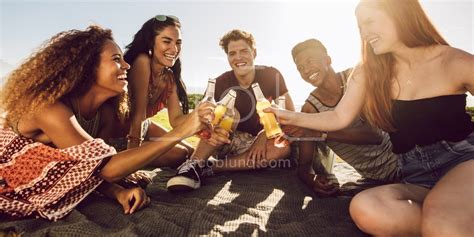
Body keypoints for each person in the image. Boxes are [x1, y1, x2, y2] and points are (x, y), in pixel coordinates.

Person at [266, 0, 473, 235]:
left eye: (369, 22)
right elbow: (338, 117)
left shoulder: (454, 60)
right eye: (360, 27)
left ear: (401, 14)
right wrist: (285, 116)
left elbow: (371, 135)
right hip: (414, 174)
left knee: (443, 219)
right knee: (365, 208)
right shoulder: (367, 71)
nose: (364, 33)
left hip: (461, 162)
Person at [0, 25, 208, 221]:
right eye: (117, 59)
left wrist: (119, 192)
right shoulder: (49, 109)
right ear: (87, 67)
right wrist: (180, 132)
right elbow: (107, 168)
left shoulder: (104, 114)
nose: (126, 65)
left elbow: (94, 169)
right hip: (8, 177)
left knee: (180, 153)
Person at [166, 29, 295, 191]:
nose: (238, 58)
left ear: (254, 53)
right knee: (229, 112)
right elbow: (204, 120)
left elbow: (289, 113)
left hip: (256, 144)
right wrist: (207, 124)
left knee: (282, 148)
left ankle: (210, 167)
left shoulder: (271, 75)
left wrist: (263, 135)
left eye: (244, 51)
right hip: (224, 139)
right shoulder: (220, 83)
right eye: (232, 53)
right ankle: (193, 165)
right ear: (227, 57)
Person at [290, 39, 399, 197]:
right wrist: (313, 179)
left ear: (328, 60)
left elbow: (374, 136)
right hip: (373, 179)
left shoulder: (355, 79)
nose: (306, 70)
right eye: (300, 68)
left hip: (401, 163)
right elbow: (304, 167)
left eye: (310, 61)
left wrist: (322, 134)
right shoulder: (310, 109)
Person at [101, 15, 193, 168]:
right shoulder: (142, 62)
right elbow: (138, 116)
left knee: (192, 151)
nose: (174, 49)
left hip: (145, 126)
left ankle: (218, 166)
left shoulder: (169, 76)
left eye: (178, 42)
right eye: (166, 41)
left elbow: (176, 119)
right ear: (151, 42)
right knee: (180, 153)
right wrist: (131, 165)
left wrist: (201, 117)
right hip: (120, 133)